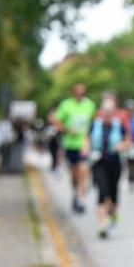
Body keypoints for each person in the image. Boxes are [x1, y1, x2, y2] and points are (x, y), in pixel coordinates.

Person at [83, 94, 130, 239]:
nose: (108, 113)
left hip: (115, 162)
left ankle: (113, 215)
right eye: (105, 110)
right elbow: (87, 138)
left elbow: (128, 140)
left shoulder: (119, 124)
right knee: (102, 192)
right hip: (99, 163)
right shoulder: (95, 124)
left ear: (114, 111)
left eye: (110, 110)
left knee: (113, 194)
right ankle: (102, 225)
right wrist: (85, 148)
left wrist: (122, 145)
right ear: (101, 111)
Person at [51, 83, 96, 214]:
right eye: (78, 92)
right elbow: (56, 121)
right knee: (74, 173)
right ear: (73, 92)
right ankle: (75, 194)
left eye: (82, 92)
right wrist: (68, 129)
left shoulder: (90, 105)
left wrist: (90, 137)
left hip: (84, 144)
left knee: (83, 170)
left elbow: (94, 123)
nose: (80, 94)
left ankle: (81, 199)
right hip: (70, 144)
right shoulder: (66, 105)